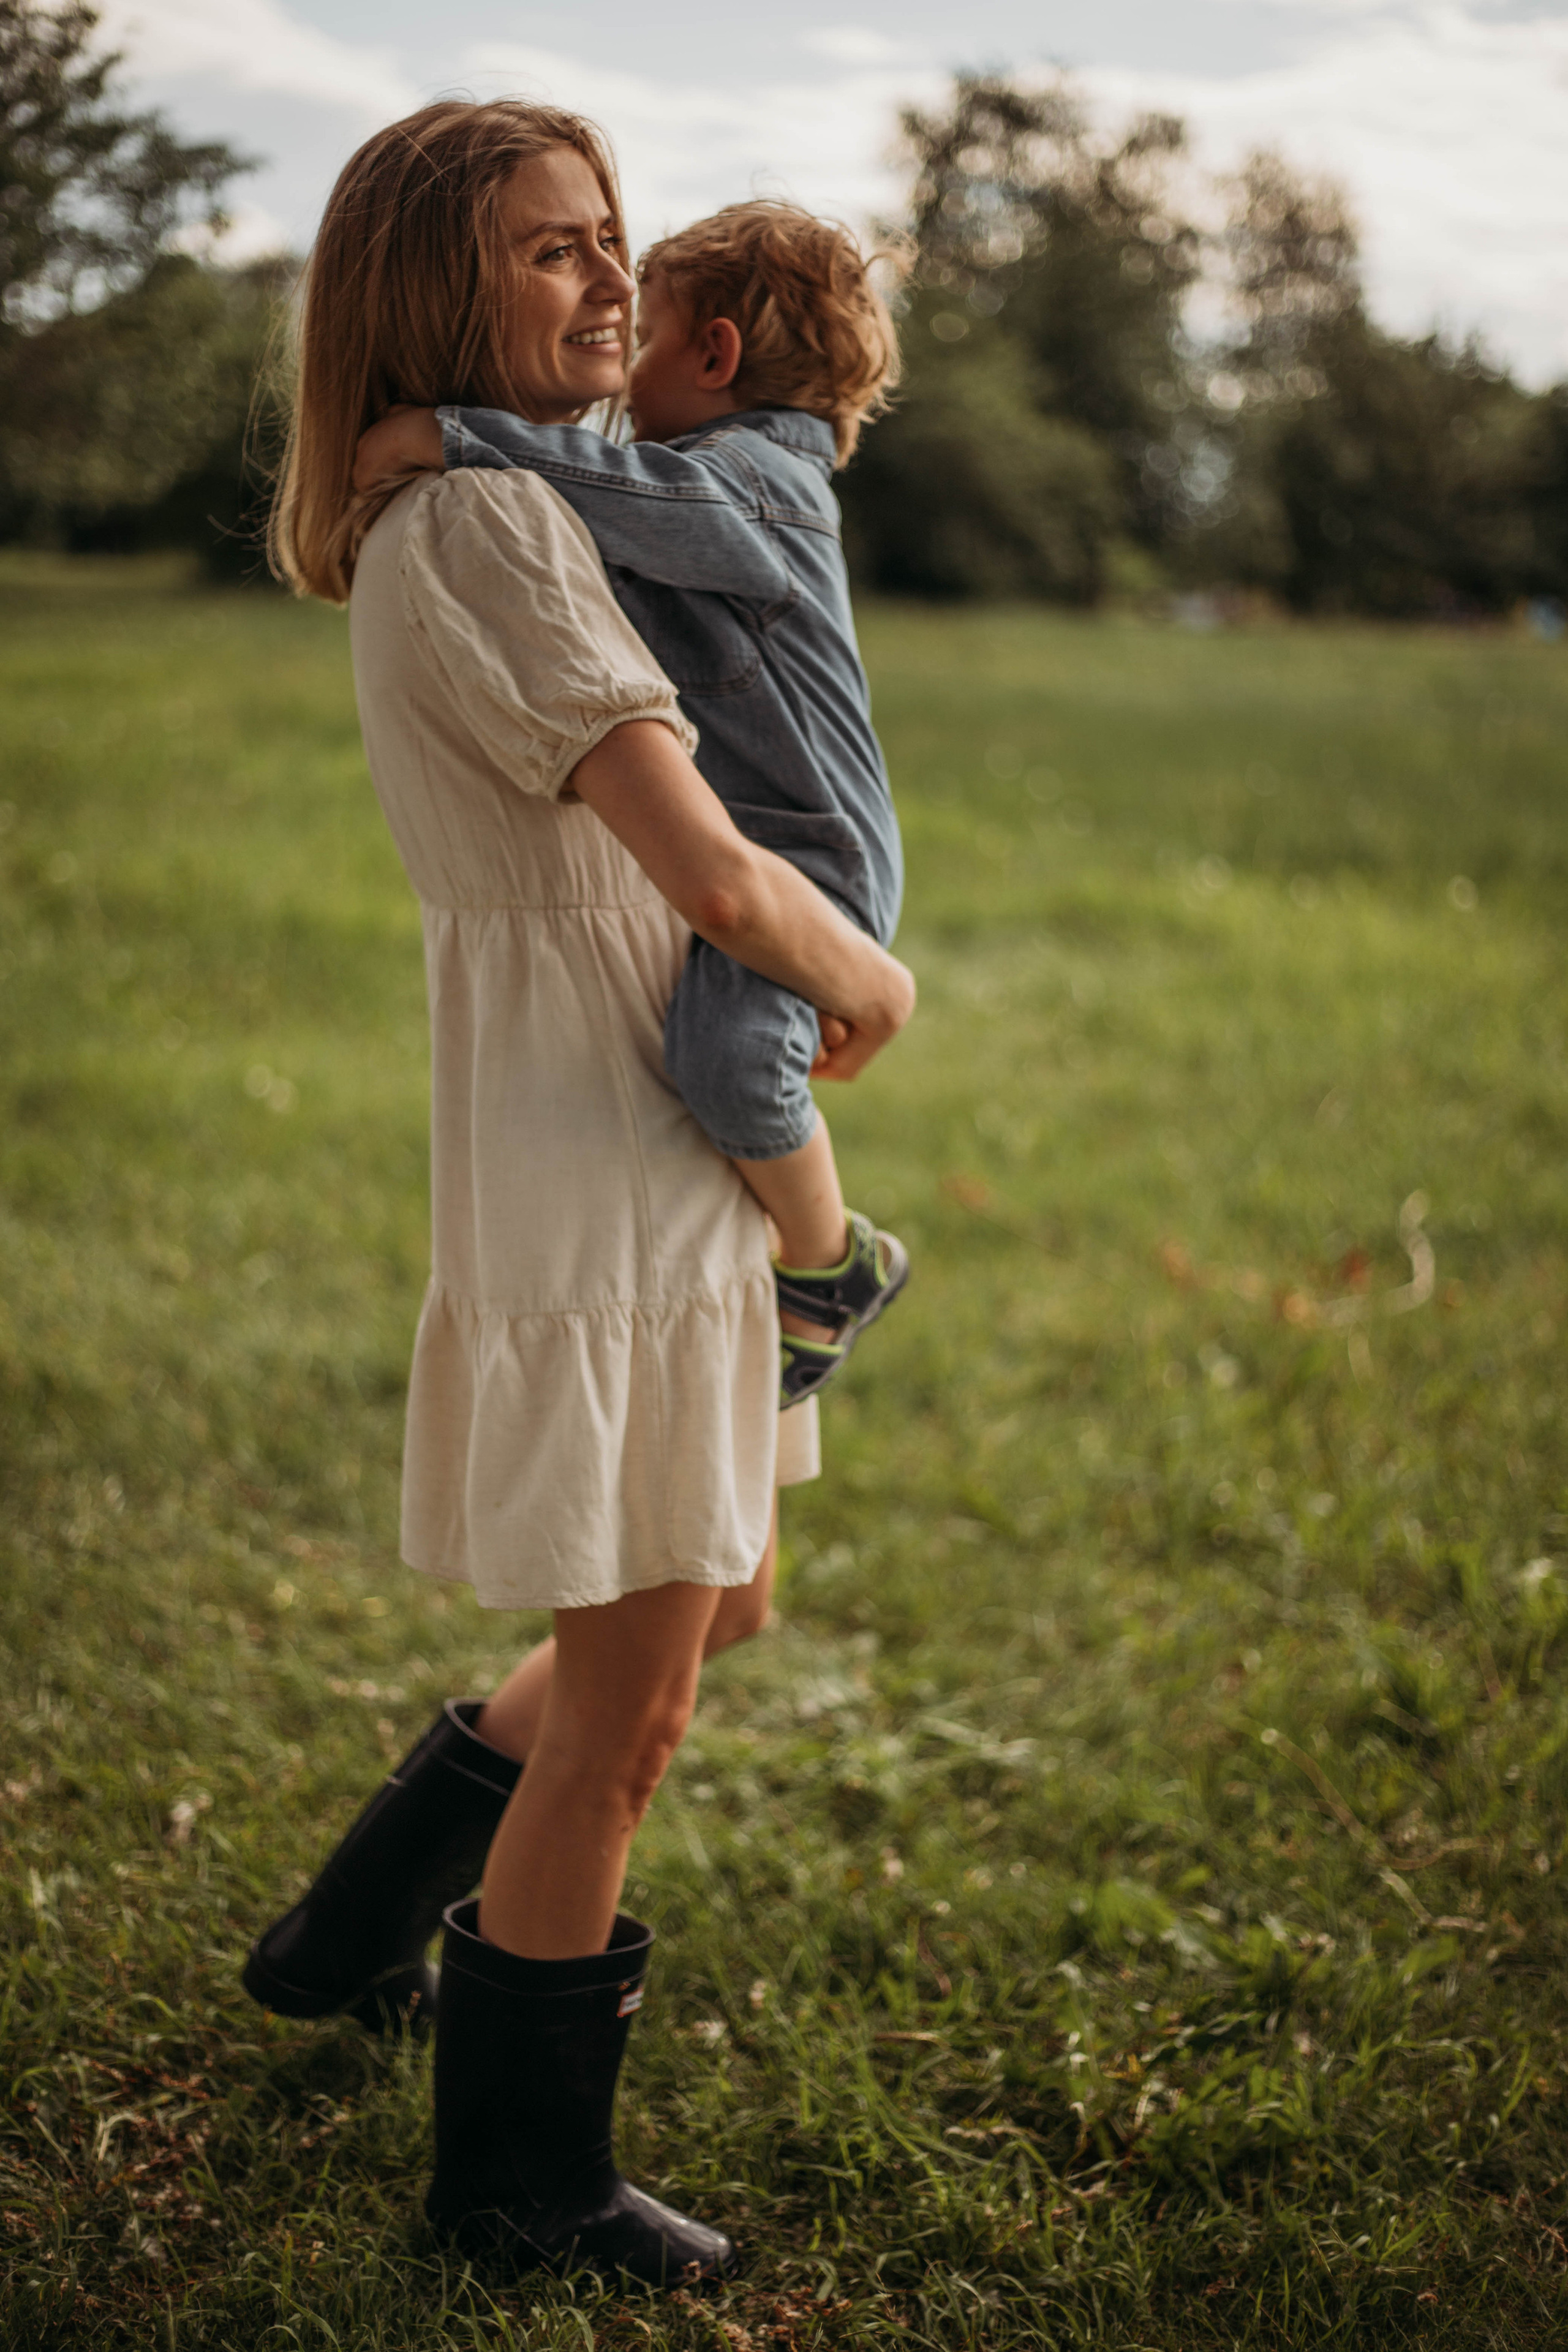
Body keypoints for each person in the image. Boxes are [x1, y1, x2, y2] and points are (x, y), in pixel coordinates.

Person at [238, 98, 915, 2292]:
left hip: (627, 1103)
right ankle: (518, 2191)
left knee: (713, 1597)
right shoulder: (500, 536)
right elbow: (713, 869)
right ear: (436, 291)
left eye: (618, 239)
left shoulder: (477, 509)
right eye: (555, 250)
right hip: (610, 1133)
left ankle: (352, 1933)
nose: (613, 278)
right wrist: (873, 970)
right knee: (636, 1706)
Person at [353, 201, 910, 1408]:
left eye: (646, 337)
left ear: (711, 357)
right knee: (722, 1058)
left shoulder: (750, 483)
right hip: (771, 841)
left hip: (805, 857)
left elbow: (632, 492)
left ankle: (832, 1261)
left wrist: (449, 435)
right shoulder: (724, 478)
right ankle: (807, 1259)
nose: (623, 374)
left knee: (724, 1062)